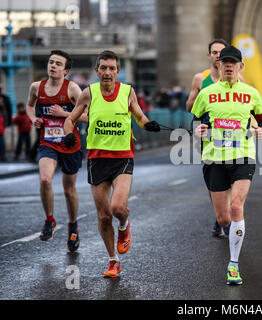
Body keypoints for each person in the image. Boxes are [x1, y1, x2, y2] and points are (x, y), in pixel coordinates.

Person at [63, 50, 161, 278]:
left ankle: (124, 225)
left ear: (118, 71)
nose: (107, 72)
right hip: (97, 159)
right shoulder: (89, 93)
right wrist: (69, 134)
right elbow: (70, 119)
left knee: (117, 208)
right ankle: (113, 260)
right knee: (104, 215)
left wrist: (149, 125)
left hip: (122, 157)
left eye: (112, 68)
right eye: (103, 68)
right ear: (97, 71)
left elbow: (139, 116)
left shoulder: (127, 92)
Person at [191, 46, 262, 285]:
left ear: (240, 66)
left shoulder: (250, 93)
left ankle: (233, 265)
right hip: (214, 158)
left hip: (243, 156)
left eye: (233, 62)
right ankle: (231, 229)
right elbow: (195, 118)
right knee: (224, 219)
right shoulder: (207, 93)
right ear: (218, 65)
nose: (228, 65)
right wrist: (198, 129)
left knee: (236, 206)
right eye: (224, 62)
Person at [25, 50, 85, 252]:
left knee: (69, 191)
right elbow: (29, 106)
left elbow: (88, 115)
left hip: (70, 143)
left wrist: (65, 113)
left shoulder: (73, 89)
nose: (53, 66)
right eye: (51, 62)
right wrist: (34, 119)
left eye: (58, 64)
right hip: (47, 141)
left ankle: (73, 224)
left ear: (66, 70)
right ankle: (49, 220)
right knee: (45, 179)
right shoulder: (36, 87)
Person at [185, 39, 234, 238]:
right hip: (206, 136)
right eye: (214, 52)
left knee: (230, 177)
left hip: (230, 134)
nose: (217, 55)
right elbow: (189, 107)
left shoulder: (236, 78)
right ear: (209, 56)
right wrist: (201, 98)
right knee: (214, 178)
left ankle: (223, 216)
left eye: (221, 52)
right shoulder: (200, 78)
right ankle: (219, 214)